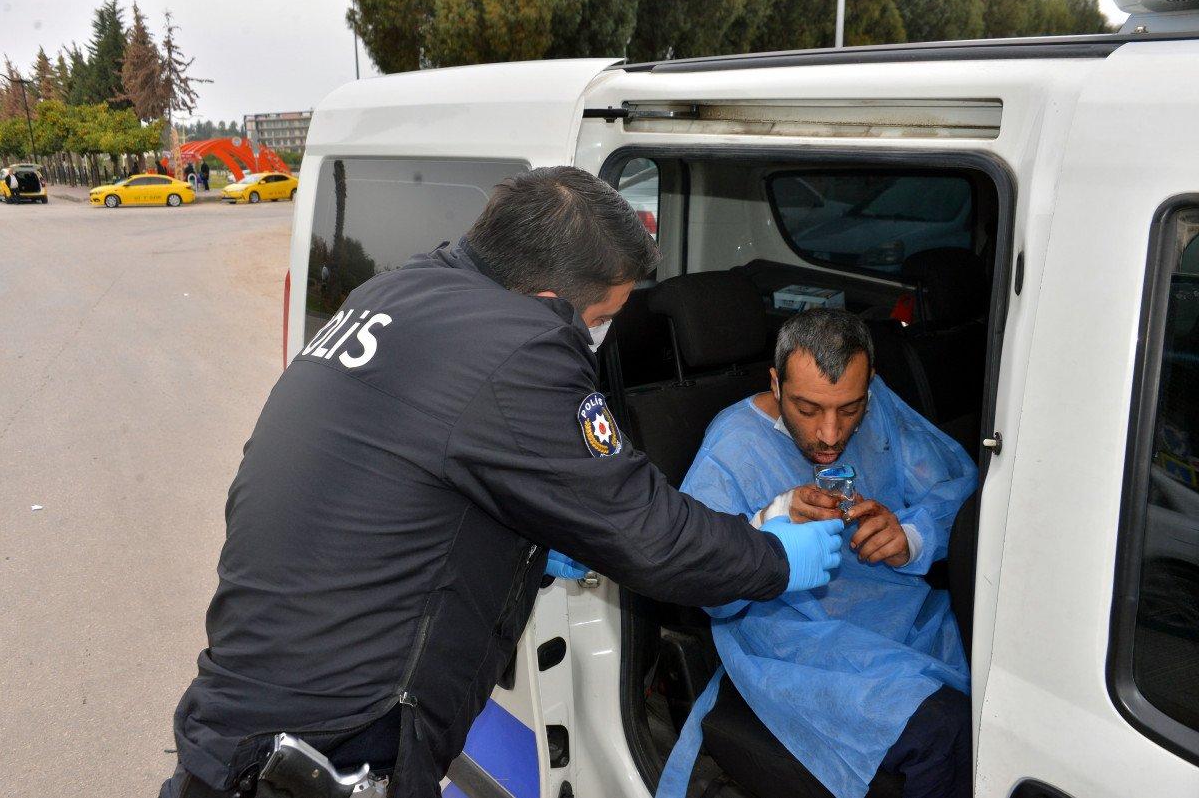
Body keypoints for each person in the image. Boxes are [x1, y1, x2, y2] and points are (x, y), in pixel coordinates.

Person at [160, 166, 844, 798]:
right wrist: (778, 557)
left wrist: (530, 544)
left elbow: (412, 482)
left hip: (239, 725)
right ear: (548, 298)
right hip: (334, 750)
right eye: (601, 319)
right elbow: (650, 533)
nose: (601, 335)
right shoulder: (521, 346)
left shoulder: (392, 292)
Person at [657, 309, 977, 798]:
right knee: (945, 731)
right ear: (776, 383)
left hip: (900, 616)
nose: (830, 434)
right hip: (796, 642)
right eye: (808, 410)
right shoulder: (733, 447)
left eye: (849, 409)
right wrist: (768, 526)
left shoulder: (878, 407)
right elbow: (698, 578)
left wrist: (911, 536)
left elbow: (959, 486)